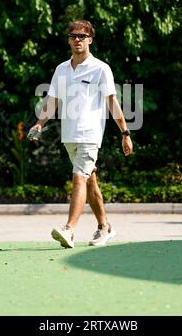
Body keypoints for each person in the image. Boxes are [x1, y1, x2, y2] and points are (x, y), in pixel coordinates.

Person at [29, 20, 133, 248]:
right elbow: (53, 101)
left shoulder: (101, 68)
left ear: (90, 39)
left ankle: (70, 229)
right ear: (68, 40)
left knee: (79, 178)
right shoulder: (61, 69)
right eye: (73, 36)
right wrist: (39, 124)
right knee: (90, 181)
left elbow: (112, 102)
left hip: (90, 135)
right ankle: (105, 226)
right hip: (69, 136)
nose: (77, 39)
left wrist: (125, 132)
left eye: (82, 36)